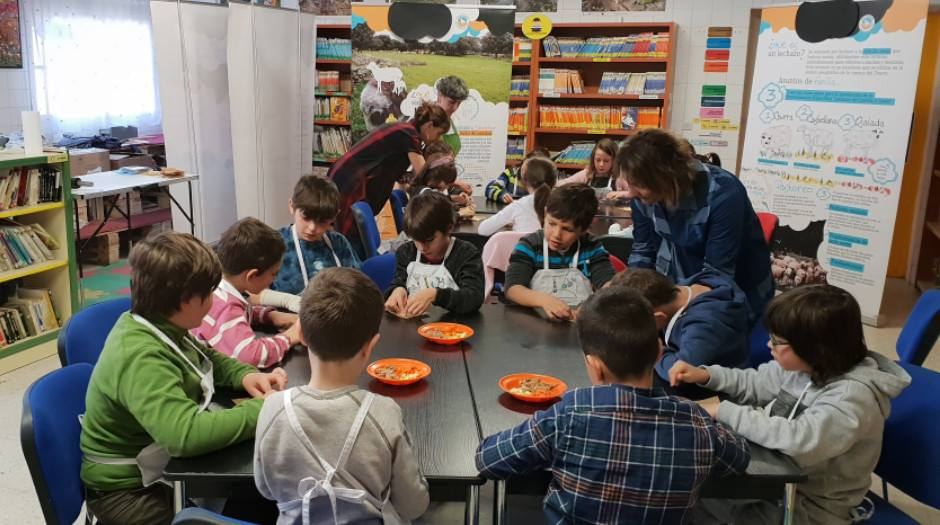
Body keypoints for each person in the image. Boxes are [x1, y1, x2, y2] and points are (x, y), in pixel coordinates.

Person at [476, 287, 751, 524]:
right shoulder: (696, 422)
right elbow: (739, 458)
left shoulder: (569, 415)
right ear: (658, 352)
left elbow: (488, 459)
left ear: (594, 366)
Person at [80, 232, 288, 525]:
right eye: (209, 294)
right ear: (185, 300)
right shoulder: (140, 356)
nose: (213, 302)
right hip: (127, 492)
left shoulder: (160, 324)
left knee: (256, 496)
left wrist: (245, 376)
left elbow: (205, 357)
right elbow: (186, 436)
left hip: (158, 466)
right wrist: (264, 409)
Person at [670, 284, 911, 525]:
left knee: (694, 505)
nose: (769, 345)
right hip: (777, 482)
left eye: (777, 341)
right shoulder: (807, 366)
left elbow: (799, 440)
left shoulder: (852, 397)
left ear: (815, 348)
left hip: (812, 506)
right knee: (690, 491)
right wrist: (706, 375)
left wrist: (723, 411)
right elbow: (757, 382)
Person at [255, 267, 430, 524]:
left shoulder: (273, 408)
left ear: (301, 335)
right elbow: (413, 505)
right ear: (370, 347)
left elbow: (266, 489)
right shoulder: (383, 413)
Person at [619, 129, 773, 326]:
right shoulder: (642, 196)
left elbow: (718, 278)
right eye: (629, 183)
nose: (631, 193)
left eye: (639, 184)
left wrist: (666, 305)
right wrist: (629, 292)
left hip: (740, 291)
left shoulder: (723, 194)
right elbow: (644, 250)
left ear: (666, 177)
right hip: (681, 279)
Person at [329, 102, 450, 257]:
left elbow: (404, 174)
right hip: (350, 180)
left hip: (348, 177)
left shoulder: (406, 131)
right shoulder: (409, 134)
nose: (438, 139)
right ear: (429, 126)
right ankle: (354, 267)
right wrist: (451, 184)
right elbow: (424, 175)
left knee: (353, 235)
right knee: (350, 236)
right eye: (439, 133)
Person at [610, 268, 749, 398]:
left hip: (716, 392)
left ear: (659, 317)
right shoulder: (682, 289)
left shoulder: (705, 329)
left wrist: (650, 348)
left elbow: (679, 372)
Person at [192, 218, 302, 368]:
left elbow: (241, 311)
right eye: (274, 274)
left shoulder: (218, 287)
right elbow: (251, 356)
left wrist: (270, 316)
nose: (274, 279)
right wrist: (290, 336)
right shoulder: (225, 307)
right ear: (252, 276)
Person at [505, 184, 615, 321]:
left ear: (583, 229)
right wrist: (544, 300)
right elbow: (513, 289)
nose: (556, 234)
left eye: (567, 229)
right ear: (545, 213)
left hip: (579, 323)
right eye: (551, 223)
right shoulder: (530, 246)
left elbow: (609, 286)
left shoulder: (591, 248)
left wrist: (590, 305)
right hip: (535, 324)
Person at [385, 191, 485, 317]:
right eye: (416, 240)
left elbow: (474, 298)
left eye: (429, 240)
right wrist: (397, 290)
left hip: (454, 325)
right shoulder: (406, 252)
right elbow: (399, 281)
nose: (422, 248)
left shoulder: (466, 253)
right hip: (415, 325)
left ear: (449, 228)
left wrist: (436, 295)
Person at [268, 175, 361, 298]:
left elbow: (357, 286)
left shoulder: (339, 243)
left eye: (322, 221)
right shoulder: (273, 245)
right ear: (292, 206)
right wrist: (286, 302)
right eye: (306, 217)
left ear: (334, 216)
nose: (312, 228)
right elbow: (252, 294)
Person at [478, 156, 556, 236]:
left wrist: (511, 219)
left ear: (523, 180)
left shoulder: (519, 205)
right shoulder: (561, 204)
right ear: (554, 181)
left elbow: (483, 230)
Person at [556, 138, 631, 201]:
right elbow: (564, 183)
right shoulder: (586, 174)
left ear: (614, 161)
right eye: (598, 160)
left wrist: (622, 194)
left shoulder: (620, 177)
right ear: (593, 159)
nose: (601, 164)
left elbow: (634, 193)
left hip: (612, 213)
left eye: (606, 161)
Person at [484, 147, 550, 203]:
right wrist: (502, 195)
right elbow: (490, 188)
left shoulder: (543, 182)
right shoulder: (510, 173)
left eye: (531, 167)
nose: (525, 169)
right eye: (526, 163)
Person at [435, 75, 469, 156]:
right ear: (439, 96)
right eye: (451, 102)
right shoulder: (424, 120)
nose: (455, 108)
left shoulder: (453, 122)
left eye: (459, 103)